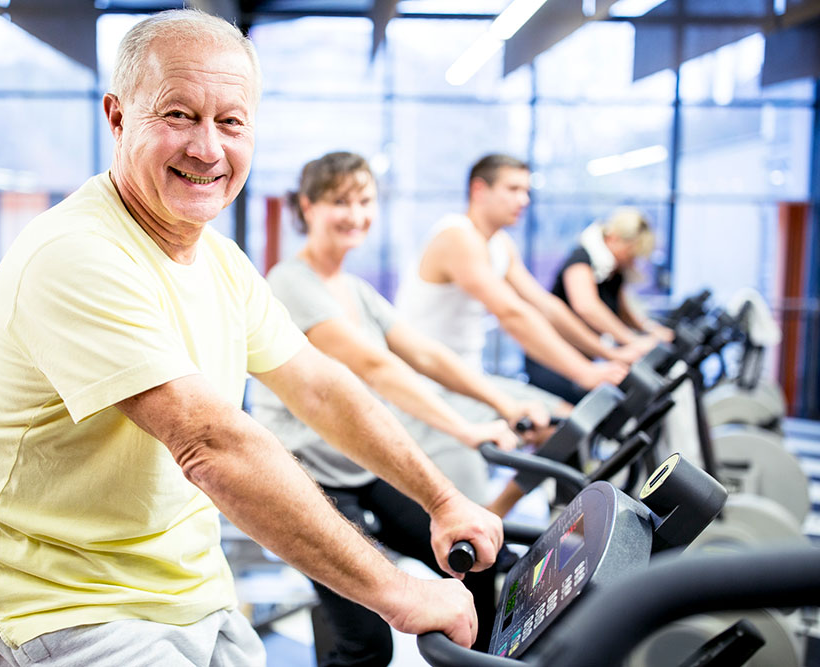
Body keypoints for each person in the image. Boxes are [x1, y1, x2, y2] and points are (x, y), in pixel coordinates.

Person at [0, 12, 502, 667]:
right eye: (178, 114)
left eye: (230, 122)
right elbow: (210, 442)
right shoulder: (77, 254)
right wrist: (399, 594)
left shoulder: (221, 261)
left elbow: (318, 384)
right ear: (118, 118)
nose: (208, 149)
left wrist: (443, 499)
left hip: (192, 594)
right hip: (64, 608)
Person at [251, 151, 547, 666]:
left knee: (475, 558)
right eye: (339, 201)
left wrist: (502, 402)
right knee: (367, 644)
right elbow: (375, 366)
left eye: (364, 201)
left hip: (360, 469)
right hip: (311, 482)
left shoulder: (358, 292)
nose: (355, 214)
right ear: (308, 208)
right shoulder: (289, 283)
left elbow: (427, 355)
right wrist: (466, 430)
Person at [395, 153, 638, 405]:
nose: (523, 200)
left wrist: (611, 352)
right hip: (429, 386)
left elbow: (546, 306)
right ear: (479, 189)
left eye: (526, 191)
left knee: (566, 418)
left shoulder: (500, 244)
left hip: (467, 376)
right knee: (560, 425)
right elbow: (512, 314)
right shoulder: (458, 237)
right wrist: (585, 372)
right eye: (512, 189)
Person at [552, 207, 674, 345]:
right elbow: (587, 307)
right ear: (613, 239)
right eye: (630, 254)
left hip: (582, 350)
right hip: (554, 349)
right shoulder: (581, 259)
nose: (632, 261)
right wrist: (633, 341)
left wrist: (650, 329)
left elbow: (623, 312)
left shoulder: (615, 271)